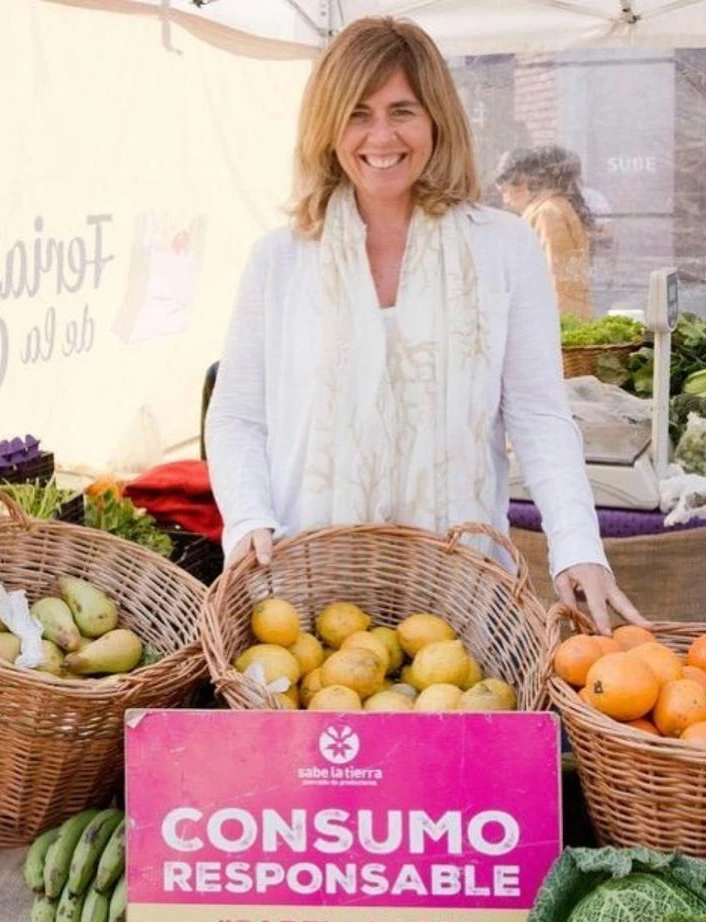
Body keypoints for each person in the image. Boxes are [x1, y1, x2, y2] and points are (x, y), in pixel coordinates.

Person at [204, 17, 646, 633]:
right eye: (357, 113)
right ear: (327, 125)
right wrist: (249, 518)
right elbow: (236, 418)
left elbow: (539, 416)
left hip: (460, 594)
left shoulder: (502, 248)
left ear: (437, 118)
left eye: (402, 111)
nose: (381, 136)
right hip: (305, 596)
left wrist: (577, 547)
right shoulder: (280, 259)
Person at [495, 146, 594, 319]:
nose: (505, 200)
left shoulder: (546, 213)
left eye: (504, 190)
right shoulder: (549, 208)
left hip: (560, 320)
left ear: (522, 182)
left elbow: (557, 276)